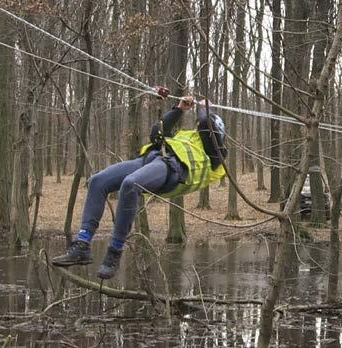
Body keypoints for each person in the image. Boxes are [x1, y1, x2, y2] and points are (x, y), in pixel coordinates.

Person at [51, 94, 227, 279]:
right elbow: (156, 133)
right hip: (151, 161)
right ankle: (82, 245)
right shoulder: (186, 136)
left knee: (130, 183)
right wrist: (179, 110)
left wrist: (204, 108)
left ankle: (114, 252)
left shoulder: (217, 154)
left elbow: (207, 124)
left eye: (203, 125)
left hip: (173, 172)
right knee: (97, 181)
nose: (199, 126)